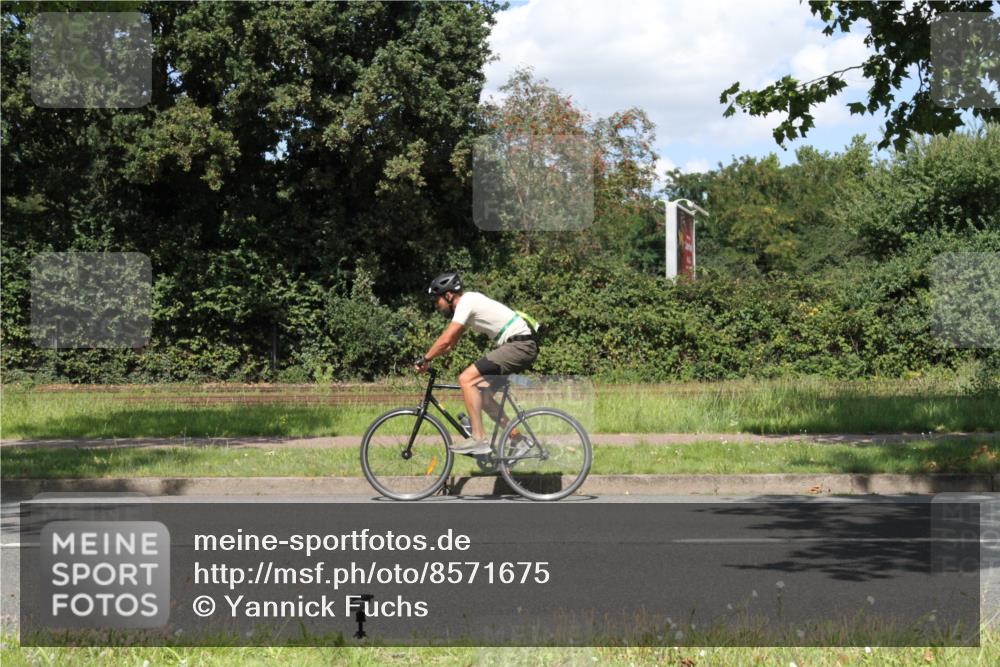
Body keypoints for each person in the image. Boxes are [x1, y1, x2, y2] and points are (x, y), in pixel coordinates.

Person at [415, 272, 539, 454]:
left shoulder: (466, 302)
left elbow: (446, 339)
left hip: (520, 345)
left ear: (448, 295)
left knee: (466, 379)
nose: (436, 306)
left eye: (437, 301)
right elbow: (449, 345)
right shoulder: (468, 305)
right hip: (518, 345)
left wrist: (425, 359)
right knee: (484, 398)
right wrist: (432, 357)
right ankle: (518, 440)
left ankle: (479, 438)